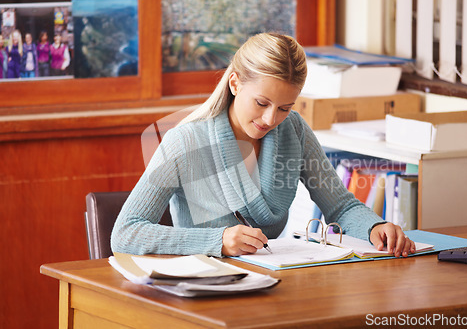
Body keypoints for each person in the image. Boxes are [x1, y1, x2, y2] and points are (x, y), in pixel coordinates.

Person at [111, 33, 416, 258]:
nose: (271, 118)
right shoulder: (185, 142)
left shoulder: (293, 130)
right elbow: (125, 233)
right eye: (261, 102)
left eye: (284, 107)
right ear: (234, 84)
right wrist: (216, 241)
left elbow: (340, 205)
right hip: (206, 286)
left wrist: (375, 227)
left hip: (272, 279)